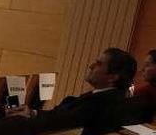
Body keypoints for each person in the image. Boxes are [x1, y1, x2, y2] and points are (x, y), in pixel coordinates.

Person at [7, 47, 136, 119]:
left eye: (98, 64)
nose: (91, 66)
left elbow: (59, 122)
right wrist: (33, 113)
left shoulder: (97, 103)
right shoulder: (111, 98)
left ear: (113, 77)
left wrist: (30, 115)